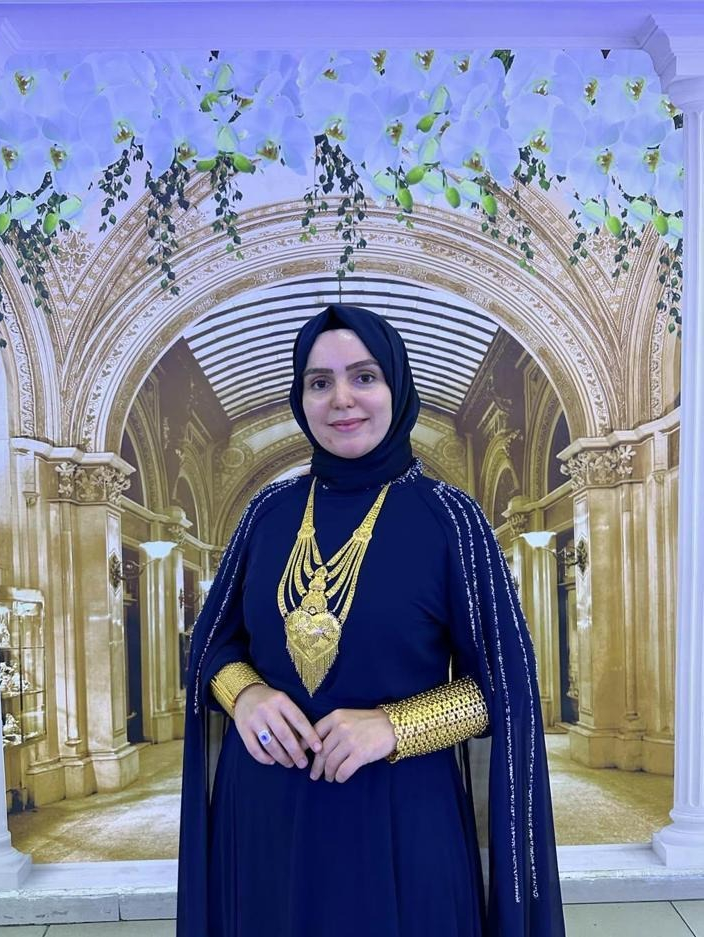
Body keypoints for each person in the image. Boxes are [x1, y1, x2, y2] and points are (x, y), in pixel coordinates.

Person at [177, 303, 565, 937]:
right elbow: (214, 647)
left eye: (363, 376)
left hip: (400, 818)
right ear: (300, 397)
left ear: (397, 386)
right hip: (266, 818)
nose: (341, 399)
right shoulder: (266, 514)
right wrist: (244, 694)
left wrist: (394, 726)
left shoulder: (451, 521)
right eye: (319, 381)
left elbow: (504, 688)